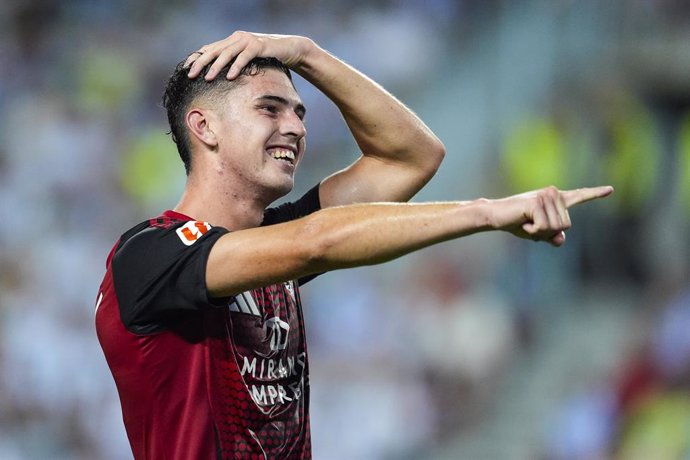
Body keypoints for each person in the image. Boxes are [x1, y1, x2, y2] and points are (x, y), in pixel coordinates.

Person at [95, 31, 613, 460]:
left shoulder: (270, 243)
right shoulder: (149, 255)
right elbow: (314, 244)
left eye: (299, 112)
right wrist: (486, 212)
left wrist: (308, 54)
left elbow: (412, 157)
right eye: (270, 109)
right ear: (203, 126)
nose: (296, 127)